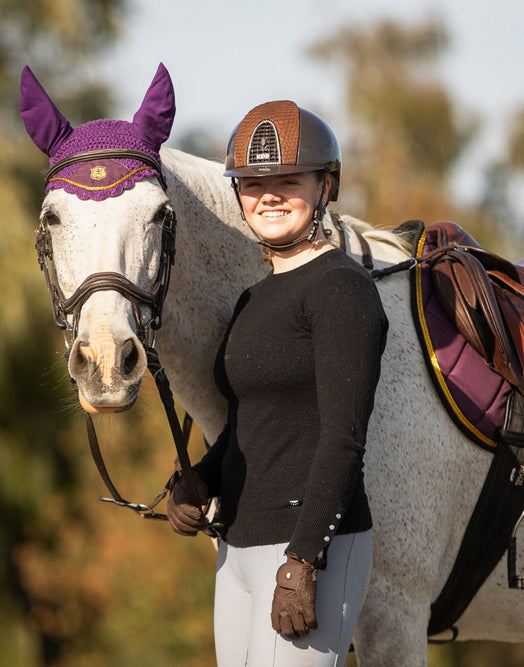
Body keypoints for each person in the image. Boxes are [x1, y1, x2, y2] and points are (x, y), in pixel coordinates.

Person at [166, 100, 388, 666]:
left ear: (324, 187)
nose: (268, 196)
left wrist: (304, 559)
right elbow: (251, 424)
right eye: (253, 183)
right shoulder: (254, 298)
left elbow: (344, 438)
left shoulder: (342, 290)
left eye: (288, 181)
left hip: (308, 547)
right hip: (238, 545)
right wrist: (201, 478)